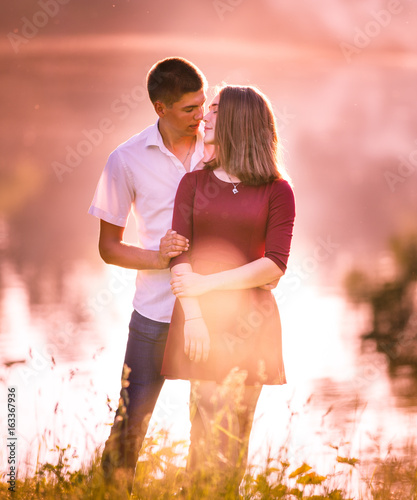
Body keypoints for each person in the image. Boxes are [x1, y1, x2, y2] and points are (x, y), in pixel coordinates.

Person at [161, 85, 296, 486]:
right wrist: (195, 319)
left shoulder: (277, 190)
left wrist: (210, 284)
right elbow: (179, 258)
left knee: (233, 439)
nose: (204, 116)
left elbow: (273, 266)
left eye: (216, 109)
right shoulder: (193, 184)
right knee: (203, 431)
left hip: (251, 326)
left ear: (239, 119)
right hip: (200, 322)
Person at [88, 57, 209, 489]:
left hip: (216, 312)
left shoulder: (219, 147)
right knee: (127, 431)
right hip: (154, 315)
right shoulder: (124, 159)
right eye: (189, 109)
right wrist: (159, 259)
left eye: (203, 104)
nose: (201, 116)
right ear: (160, 108)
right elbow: (108, 248)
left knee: (211, 437)